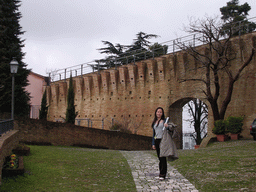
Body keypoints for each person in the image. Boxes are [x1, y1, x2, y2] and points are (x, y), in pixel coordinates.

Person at [151, 107, 169, 180]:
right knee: (159, 157)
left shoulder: (164, 121)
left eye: (160, 112)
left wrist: (167, 127)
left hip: (163, 140)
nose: (159, 113)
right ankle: (161, 173)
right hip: (157, 140)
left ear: (162, 113)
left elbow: (169, 130)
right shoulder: (154, 122)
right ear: (156, 113)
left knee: (163, 157)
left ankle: (163, 174)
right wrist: (153, 143)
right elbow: (154, 134)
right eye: (158, 112)